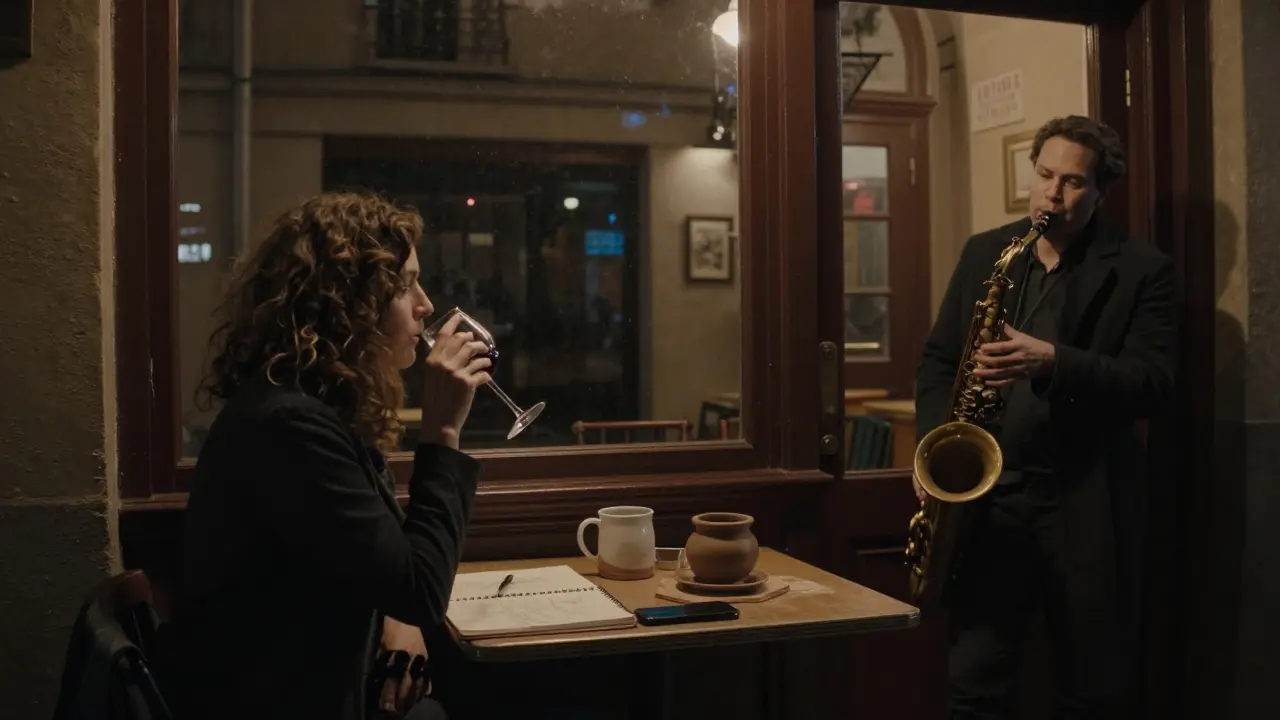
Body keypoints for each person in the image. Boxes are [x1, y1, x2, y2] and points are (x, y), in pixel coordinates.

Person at [157, 192, 492, 720]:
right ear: (350, 304)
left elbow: (376, 565)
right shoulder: (291, 428)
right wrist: (444, 428)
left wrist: (395, 620)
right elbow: (419, 588)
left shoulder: (307, 409)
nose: (426, 305)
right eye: (405, 285)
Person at [915, 115, 1177, 719]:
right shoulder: (988, 252)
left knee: (1092, 690)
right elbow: (937, 361)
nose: (1052, 196)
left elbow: (1152, 384)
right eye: (1044, 176)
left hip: (1084, 505)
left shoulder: (1143, 269)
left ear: (1101, 192)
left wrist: (1053, 361)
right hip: (991, 504)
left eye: (1073, 183)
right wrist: (937, 444)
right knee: (972, 683)